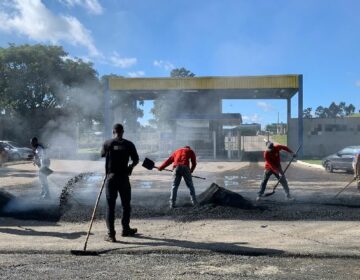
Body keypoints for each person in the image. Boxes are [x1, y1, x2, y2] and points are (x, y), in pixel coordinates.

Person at [101, 123, 139, 242]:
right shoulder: (129, 144)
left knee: (110, 206)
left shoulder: (107, 143)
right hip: (124, 178)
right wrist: (130, 167)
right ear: (123, 131)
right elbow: (136, 160)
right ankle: (125, 229)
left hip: (111, 178)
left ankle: (111, 235)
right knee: (126, 205)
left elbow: (102, 155)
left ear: (113, 131)